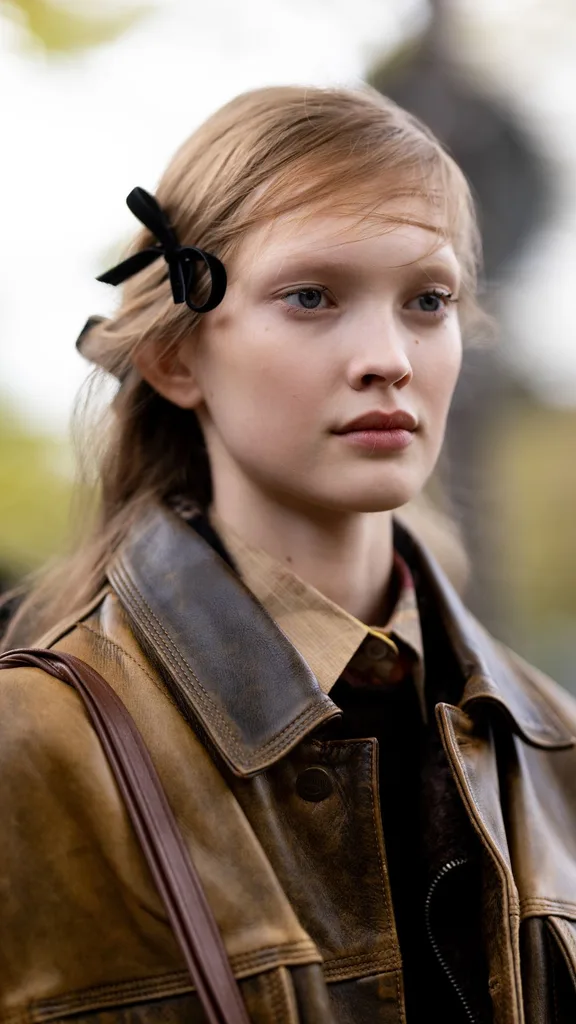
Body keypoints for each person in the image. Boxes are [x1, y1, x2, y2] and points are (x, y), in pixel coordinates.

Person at [1, 85, 575, 1024]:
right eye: (311, 296)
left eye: (427, 300)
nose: (389, 355)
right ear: (177, 359)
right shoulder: (29, 750)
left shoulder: (557, 752)